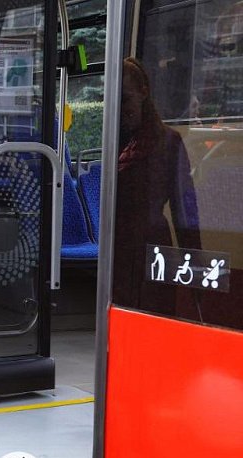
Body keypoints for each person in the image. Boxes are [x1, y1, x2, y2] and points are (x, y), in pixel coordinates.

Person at [113, 57, 201, 318]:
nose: (121, 109)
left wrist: (195, 273)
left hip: (151, 249)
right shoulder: (113, 138)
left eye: (126, 99)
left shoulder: (168, 142)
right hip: (119, 249)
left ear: (143, 93)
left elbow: (185, 213)